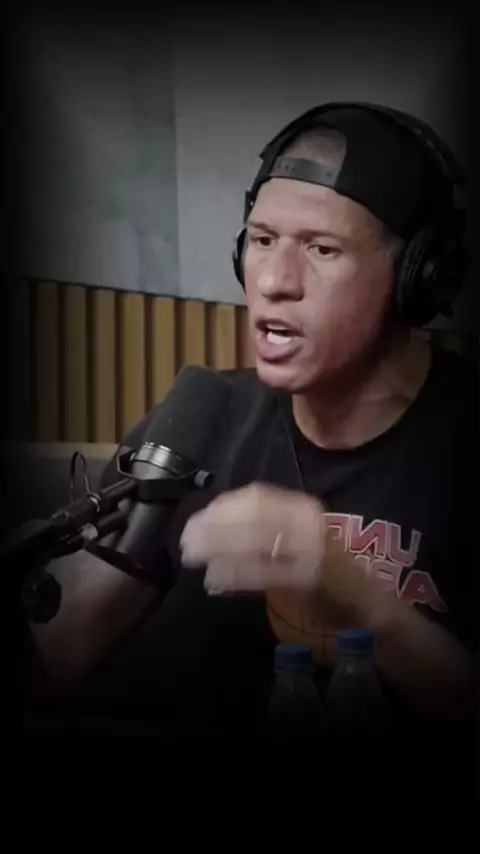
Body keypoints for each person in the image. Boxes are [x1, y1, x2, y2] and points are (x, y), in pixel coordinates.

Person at [27, 103, 477, 773]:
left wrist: (351, 595)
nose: (274, 282)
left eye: (322, 249)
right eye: (262, 240)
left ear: (418, 276)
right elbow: (62, 652)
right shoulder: (205, 415)